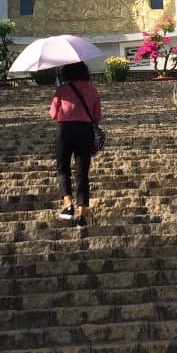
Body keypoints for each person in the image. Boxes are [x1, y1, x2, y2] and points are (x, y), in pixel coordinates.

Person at [48, 60, 102, 229]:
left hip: (65, 130)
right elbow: (97, 117)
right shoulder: (92, 90)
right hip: (85, 131)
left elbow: (53, 114)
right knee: (82, 173)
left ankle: (68, 204)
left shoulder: (62, 90)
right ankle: (81, 216)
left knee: (63, 167)